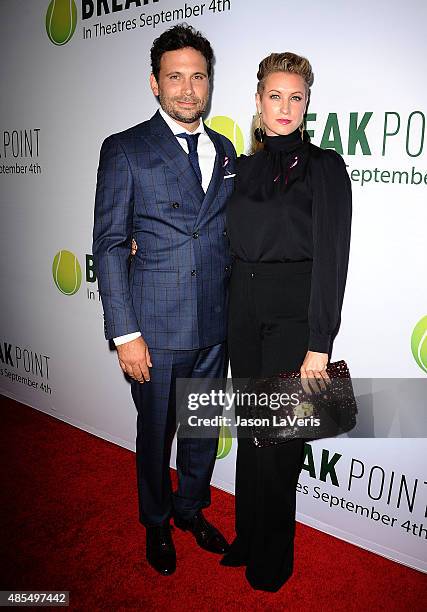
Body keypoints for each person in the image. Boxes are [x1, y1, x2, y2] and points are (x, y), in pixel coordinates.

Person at [92, 24, 236, 576]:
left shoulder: (224, 149)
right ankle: (154, 522)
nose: (187, 88)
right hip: (153, 328)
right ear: (154, 83)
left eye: (197, 77)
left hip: (213, 325)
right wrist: (125, 333)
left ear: (209, 83)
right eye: (174, 77)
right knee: (155, 434)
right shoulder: (125, 148)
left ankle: (190, 509)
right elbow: (108, 244)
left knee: (200, 430)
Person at [221, 52, 352, 591]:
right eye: (275, 95)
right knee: (253, 432)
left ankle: (273, 559)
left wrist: (319, 342)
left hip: (294, 315)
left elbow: (333, 256)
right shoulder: (241, 168)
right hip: (241, 311)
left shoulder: (325, 167)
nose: (285, 106)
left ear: (307, 104)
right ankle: (247, 536)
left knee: (280, 441)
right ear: (257, 101)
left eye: (296, 97)